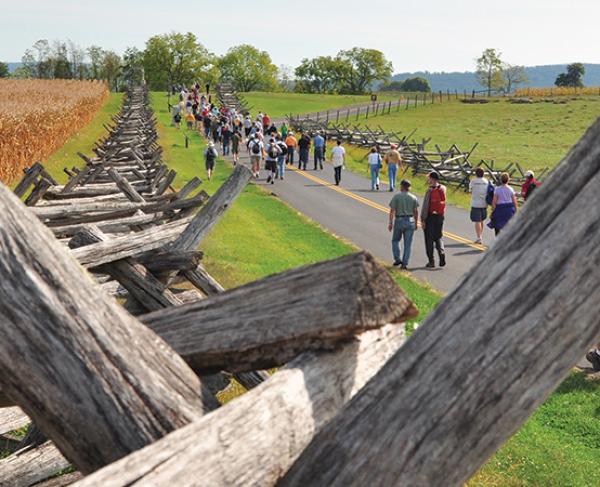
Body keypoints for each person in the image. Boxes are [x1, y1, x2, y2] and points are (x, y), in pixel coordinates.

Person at [388, 179, 419, 270]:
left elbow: (392, 210)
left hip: (399, 219)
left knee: (395, 240)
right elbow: (415, 211)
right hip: (410, 220)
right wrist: (416, 223)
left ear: (402, 186)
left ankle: (397, 259)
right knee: (408, 243)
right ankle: (405, 263)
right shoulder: (413, 197)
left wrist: (390, 222)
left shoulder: (397, 197)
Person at [421, 171, 447, 268]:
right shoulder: (443, 188)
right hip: (440, 216)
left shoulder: (429, 191)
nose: (428, 179)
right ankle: (441, 253)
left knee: (429, 239)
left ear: (432, 179)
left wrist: (423, 219)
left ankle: (431, 261)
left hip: (430, 217)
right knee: (438, 236)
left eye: (429, 178)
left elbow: (425, 206)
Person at [469, 167, 489, 244]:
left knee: (477, 221)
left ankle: (479, 237)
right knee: (481, 220)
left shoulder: (473, 181)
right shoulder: (486, 181)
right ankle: (480, 235)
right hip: (484, 203)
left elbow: (470, 190)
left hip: (475, 203)